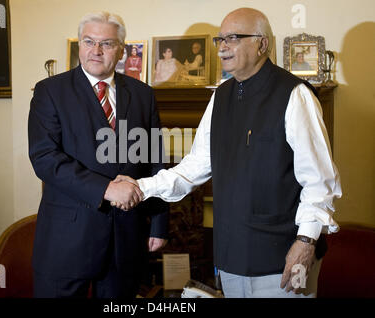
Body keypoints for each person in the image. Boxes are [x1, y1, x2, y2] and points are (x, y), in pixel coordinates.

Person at [114, 8, 342, 298]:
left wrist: (305, 242)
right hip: (230, 258)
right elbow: (194, 166)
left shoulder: (295, 94)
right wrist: (140, 186)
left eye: (233, 38)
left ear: (262, 43)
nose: (222, 47)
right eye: (219, 39)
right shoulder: (219, 96)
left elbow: (319, 180)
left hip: (283, 261)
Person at [28, 11, 169, 298]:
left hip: (126, 239)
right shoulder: (50, 91)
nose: (96, 50)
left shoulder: (142, 94)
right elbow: (45, 158)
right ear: (79, 44)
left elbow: (156, 160)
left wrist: (159, 223)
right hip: (67, 240)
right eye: (89, 41)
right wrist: (106, 189)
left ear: (121, 50)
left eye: (106, 43)